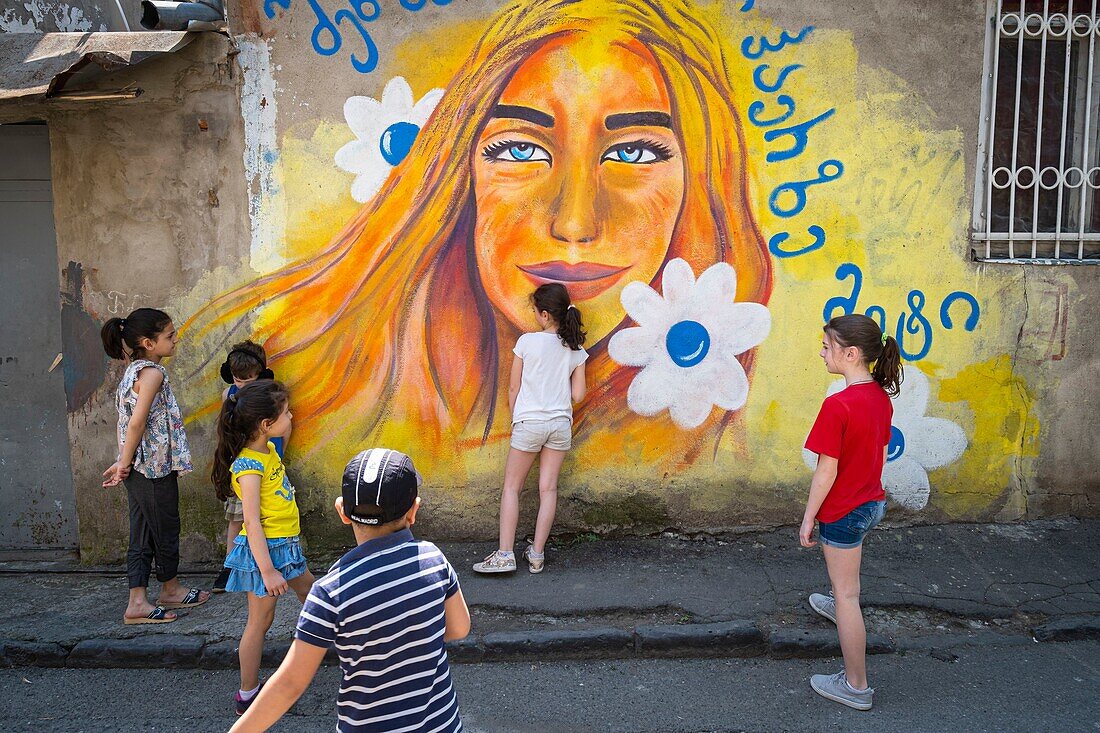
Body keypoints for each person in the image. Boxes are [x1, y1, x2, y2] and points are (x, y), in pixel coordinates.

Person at [183, 0, 772, 472]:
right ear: (455, 179)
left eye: (634, 152)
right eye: (521, 150)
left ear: (699, 186)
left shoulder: (700, 419)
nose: (573, 224)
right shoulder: (348, 386)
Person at [229, 448, 471, 733]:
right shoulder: (434, 561)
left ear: (342, 512)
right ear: (414, 511)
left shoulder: (330, 592)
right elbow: (458, 629)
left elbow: (289, 684)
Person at [800, 314, 903, 710]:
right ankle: (836, 599)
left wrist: (810, 516)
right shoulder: (879, 397)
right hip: (871, 503)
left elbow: (827, 470)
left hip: (845, 511)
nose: (822, 351)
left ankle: (856, 687)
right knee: (844, 581)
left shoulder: (838, 404)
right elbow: (877, 455)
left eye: (827, 346)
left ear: (851, 353)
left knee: (849, 594)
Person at [211, 380, 314, 716]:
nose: (291, 416)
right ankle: (247, 693)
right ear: (266, 424)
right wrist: (267, 570)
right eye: (285, 413)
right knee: (260, 621)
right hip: (265, 553)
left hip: (287, 547)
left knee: (313, 596)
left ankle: (335, 652)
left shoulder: (267, 450)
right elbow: (251, 523)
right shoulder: (248, 467)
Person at [101, 307, 209, 625]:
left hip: (140, 467)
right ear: (149, 342)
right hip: (152, 468)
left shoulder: (132, 371)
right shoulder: (152, 373)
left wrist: (124, 461)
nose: (175, 340)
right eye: (169, 336)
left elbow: (130, 425)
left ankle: (139, 601)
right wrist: (123, 462)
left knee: (144, 531)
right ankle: (169, 589)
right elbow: (136, 423)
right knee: (164, 529)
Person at [473, 284, 586, 574]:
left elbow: (513, 386)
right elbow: (578, 396)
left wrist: (517, 418)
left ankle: (505, 554)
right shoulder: (575, 349)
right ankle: (536, 555)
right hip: (560, 425)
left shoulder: (526, 342)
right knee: (548, 489)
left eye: (535, 311)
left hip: (529, 422)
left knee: (512, 487)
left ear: (545, 314)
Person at [212, 341, 288, 594]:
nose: (243, 385)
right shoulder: (231, 397)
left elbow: (286, 430)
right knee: (239, 518)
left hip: (268, 466)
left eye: (250, 380)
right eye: (238, 379)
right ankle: (230, 567)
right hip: (248, 472)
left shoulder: (269, 400)